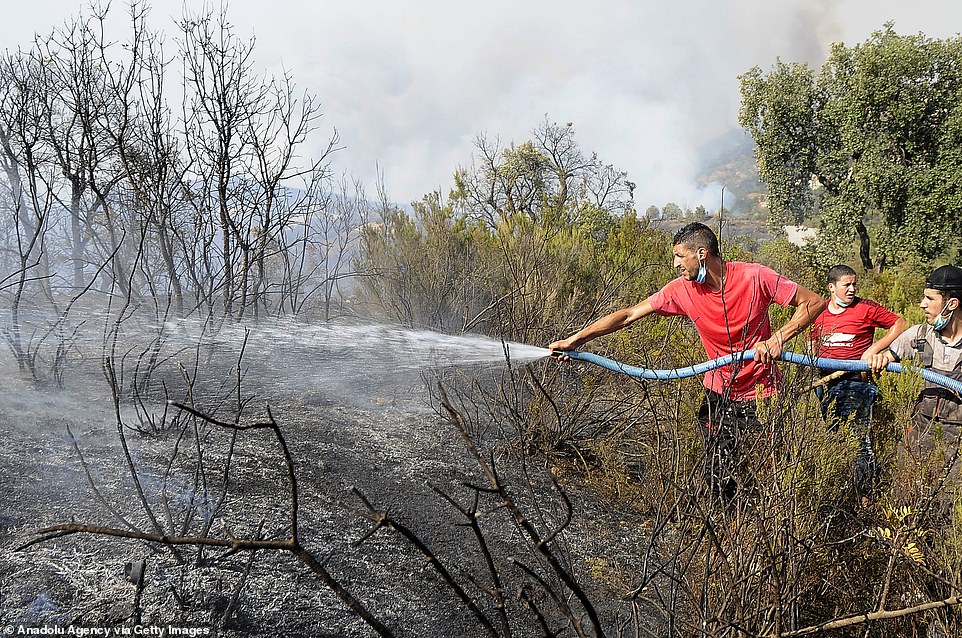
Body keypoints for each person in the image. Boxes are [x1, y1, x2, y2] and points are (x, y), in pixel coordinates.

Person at [549, 222, 825, 501]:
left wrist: (778, 337)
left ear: (701, 254)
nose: (675, 264)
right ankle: (728, 533)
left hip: (764, 394)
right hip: (718, 392)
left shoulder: (756, 276)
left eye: (680, 256)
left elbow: (814, 303)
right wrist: (577, 340)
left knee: (774, 474)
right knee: (717, 476)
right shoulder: (681, 290)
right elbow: (629, 315)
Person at [810, 264, 907, 502]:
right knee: (835, 436)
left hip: (857, 382)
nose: (852, 289)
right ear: (831, 288)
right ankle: (841, 489)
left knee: (858, 439)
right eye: (847, 285)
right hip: (826, 382)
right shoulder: (818, 310)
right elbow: (813, 340)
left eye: (854, 284)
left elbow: (900, 323)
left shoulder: (866, 308)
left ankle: (865, 496)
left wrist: (874, 350)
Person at [871, 265, 962, 481]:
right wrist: (878, 359)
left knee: (950, 503)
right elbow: (884, 360)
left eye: (930, 298)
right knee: (906, 494)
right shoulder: (918, 336)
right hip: (919, 435)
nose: (922, 305)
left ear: (952, 304)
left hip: (957, 443)